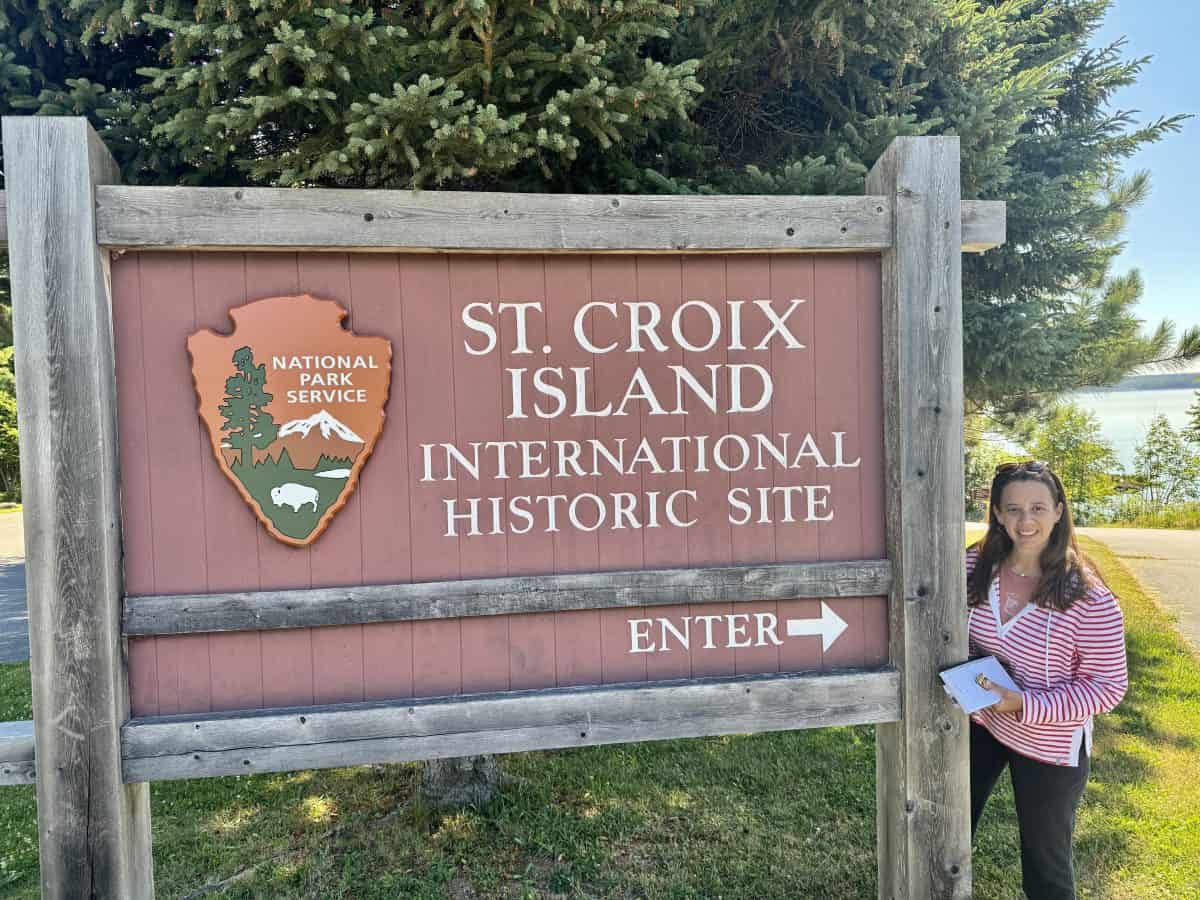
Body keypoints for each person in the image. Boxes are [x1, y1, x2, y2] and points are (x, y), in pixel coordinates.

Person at [962, 459, 1128, 900]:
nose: (1025, 520)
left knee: (1046, 865)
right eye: (1012, 509)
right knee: (946, 833)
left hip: (1049, 745)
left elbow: (1109, 686)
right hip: (982, 725)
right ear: (996, 513)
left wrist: (1022, 704)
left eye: (1038, 507)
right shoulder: (975, 565)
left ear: (1059, 510)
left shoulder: (1088, 597)